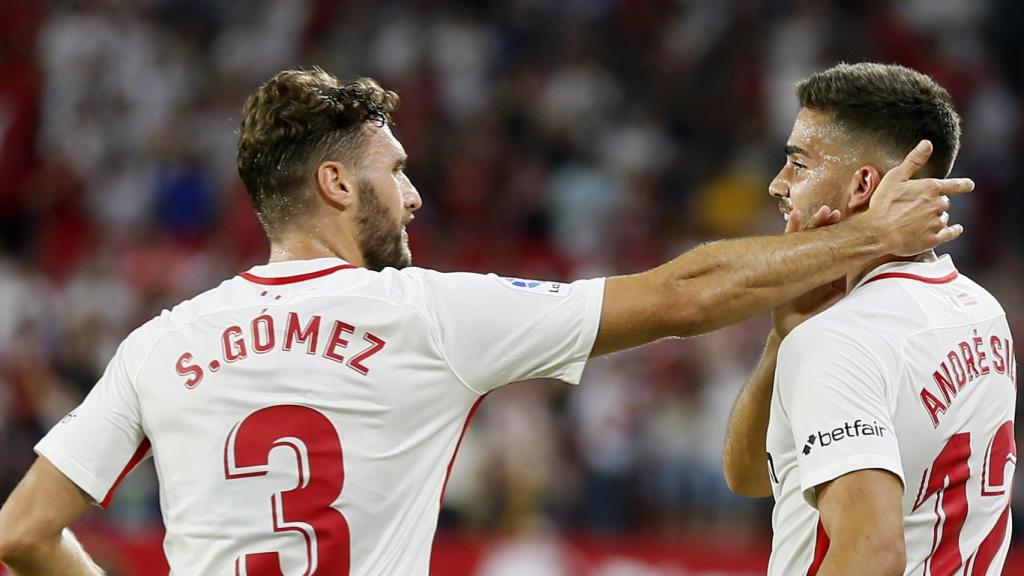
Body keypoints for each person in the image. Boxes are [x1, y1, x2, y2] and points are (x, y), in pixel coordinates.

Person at [0, 66, 971, 576]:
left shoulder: (158, 342)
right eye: (396, 172)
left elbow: (26, 533)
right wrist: (864, 238)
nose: (414, 196)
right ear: (338, 182)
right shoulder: (427, 316)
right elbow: (683, 294)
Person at [722, 62, 1016, 576]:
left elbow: (872, 555)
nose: (777, 185)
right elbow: (756, 477)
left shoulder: (838, 342)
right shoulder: (982, 311)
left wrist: (808, 344)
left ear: (862, 187)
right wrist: (783, 340)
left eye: (799, 164)